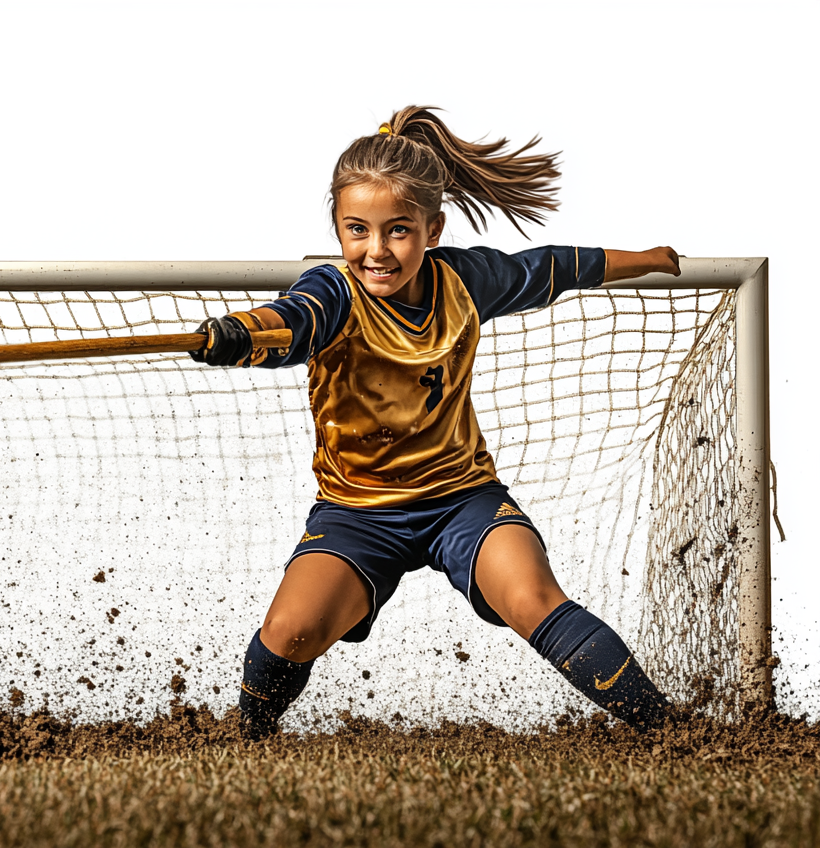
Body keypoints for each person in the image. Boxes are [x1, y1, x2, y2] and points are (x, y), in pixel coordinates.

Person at [191, 106, 679, 738]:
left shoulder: (465, 280)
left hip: (462, 499)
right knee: (291, 632)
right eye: (356, 230)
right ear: (337, 229)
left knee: (533, 599)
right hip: (359, 510)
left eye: (397, 231)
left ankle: (675, 733)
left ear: (431, 228)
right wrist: (242, 335)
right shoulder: (334, 290)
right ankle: (245, 742)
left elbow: (554, 268)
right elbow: (292, 320)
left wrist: (644, 257)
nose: (376, 250)